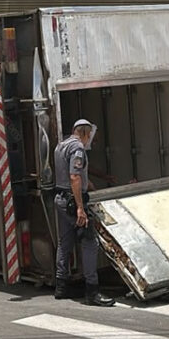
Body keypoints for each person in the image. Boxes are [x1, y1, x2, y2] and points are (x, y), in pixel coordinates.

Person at [53, 118, 115, 307]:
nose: (90, 140)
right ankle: (92, 291)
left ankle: (61, 287)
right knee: (90, 242)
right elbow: (74, 176)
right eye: (90, 136)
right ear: (85, 133)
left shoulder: (61, 145)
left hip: (60, 199)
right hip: (72, 203)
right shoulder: (78, 148)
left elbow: (69, 173)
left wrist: (88, 181)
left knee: (65, 241)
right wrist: (80, 207)